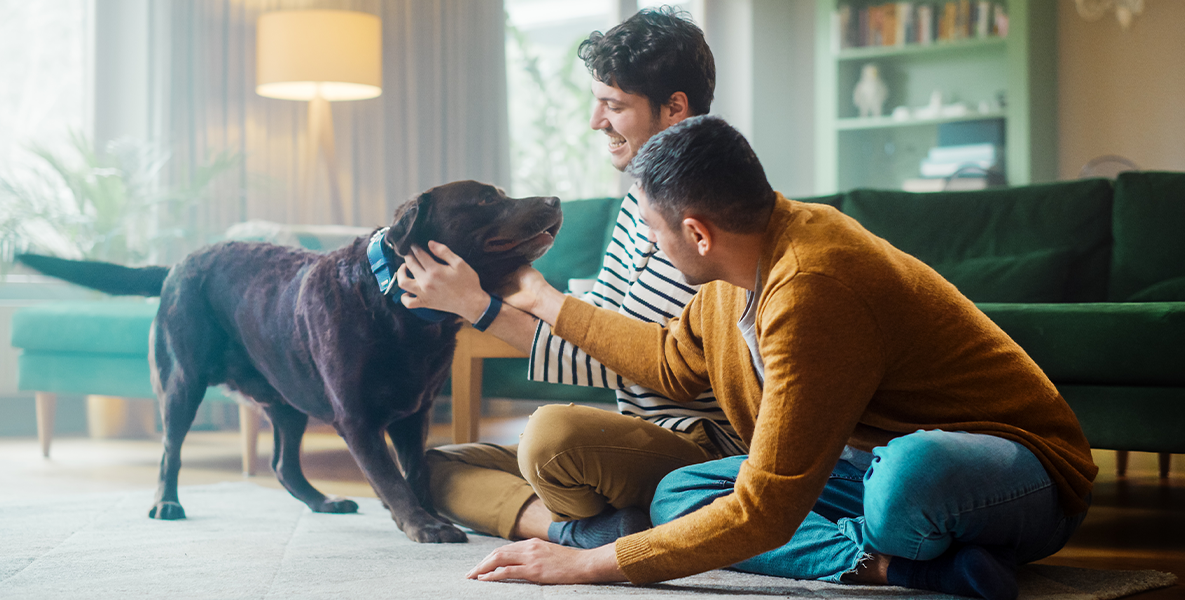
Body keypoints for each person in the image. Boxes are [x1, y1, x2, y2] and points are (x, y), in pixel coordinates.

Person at [398, 115, 1098, 600]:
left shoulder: (814, 284)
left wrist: (593, 564)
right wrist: (540, 298)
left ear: (697, 233)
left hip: (1014, 471)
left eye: (652, 229)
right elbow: (670, 361)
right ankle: (901, 568)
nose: (651, 242)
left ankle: (900, 542)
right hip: (859, 466)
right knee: (678, 497)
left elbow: (767, 506)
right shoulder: (737, 266)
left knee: (908, 480)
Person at [419, 7, 746, 550]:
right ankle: (585, 531)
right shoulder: (637, 202)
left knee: (553, 436)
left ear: (674, 109)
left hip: (701, 449)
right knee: (431, 468)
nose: (596, 122)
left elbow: (629, 363)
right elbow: (601, 325)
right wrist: (496, 295)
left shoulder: (706, 223)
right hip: (633, 436)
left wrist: (482, 306)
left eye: (613, 105)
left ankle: (642, 514)